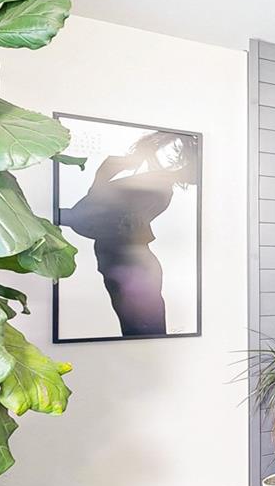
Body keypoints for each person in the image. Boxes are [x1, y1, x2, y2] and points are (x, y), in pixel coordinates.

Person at [59, 131, 199, 337]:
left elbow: (85, 218)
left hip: (131, 267)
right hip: (126, 263)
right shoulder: (149, 182)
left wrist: (101, 178)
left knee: (143, 336)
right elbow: (88, 216)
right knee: (142, 337)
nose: (173, 156)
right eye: (170, 147)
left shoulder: (156, 186)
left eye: (179, 152)